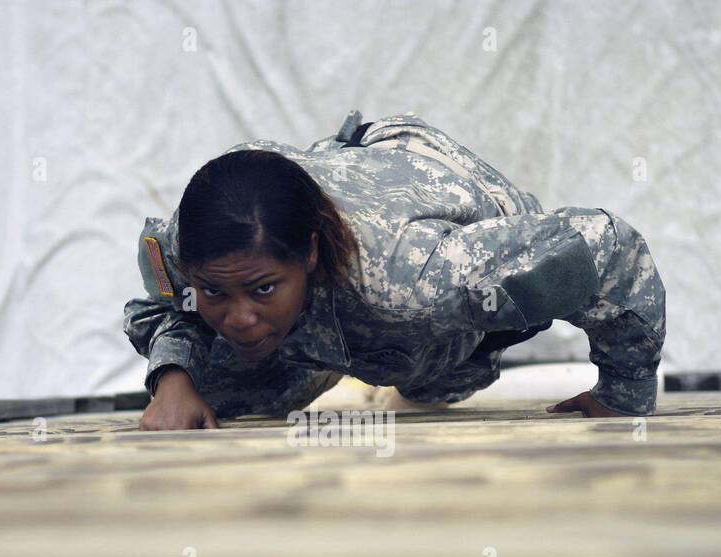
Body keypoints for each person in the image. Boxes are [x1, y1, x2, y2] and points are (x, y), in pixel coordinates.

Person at [123, 110, 665, 430]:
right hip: (331, 186)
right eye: (216, 291)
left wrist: (624, 392)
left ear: (310, 254)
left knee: (429, 379)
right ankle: (308, 342)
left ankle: (432, 365)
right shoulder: (191, 240)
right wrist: (173, 378)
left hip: (438, 189)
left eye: (262, 289)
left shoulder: (420, 280)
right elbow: (163, 305)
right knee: (208, 399)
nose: (238, 318)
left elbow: (605, 247)